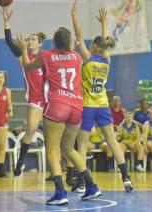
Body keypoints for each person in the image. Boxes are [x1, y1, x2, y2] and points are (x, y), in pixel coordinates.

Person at [17, 25, 101, 205]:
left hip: (57, 105)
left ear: (54, 42)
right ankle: (91, 186)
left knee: (53, 149)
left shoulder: (46, 56)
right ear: (69, 41)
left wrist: (24, 50)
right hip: (77, 106)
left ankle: (60, 193)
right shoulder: (77, 57)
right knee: (69, 148)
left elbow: (28, 66)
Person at [71, 0, 133, 192]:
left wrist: (74, 15)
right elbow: (105, 42)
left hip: (88, 106)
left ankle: (81, 182)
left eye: (92, 43)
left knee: (82, 144)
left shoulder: (88, 58)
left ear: (95, 46)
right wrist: (105, 24)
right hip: (103, 105)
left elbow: (79, 37)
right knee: (113, 142)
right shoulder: (106, 59)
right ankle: (126, 179)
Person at [0, 6, 48, 177]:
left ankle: (69, 170)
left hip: (50, 100)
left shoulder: (46, 58)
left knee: (57, 135)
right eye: (29, 38)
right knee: (32, 129)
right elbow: (8, 42)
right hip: (35, 100)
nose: (30, 40)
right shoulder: (23, 57)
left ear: (40, 43)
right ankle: (20, 162)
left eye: (33, 39)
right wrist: (7, 23)